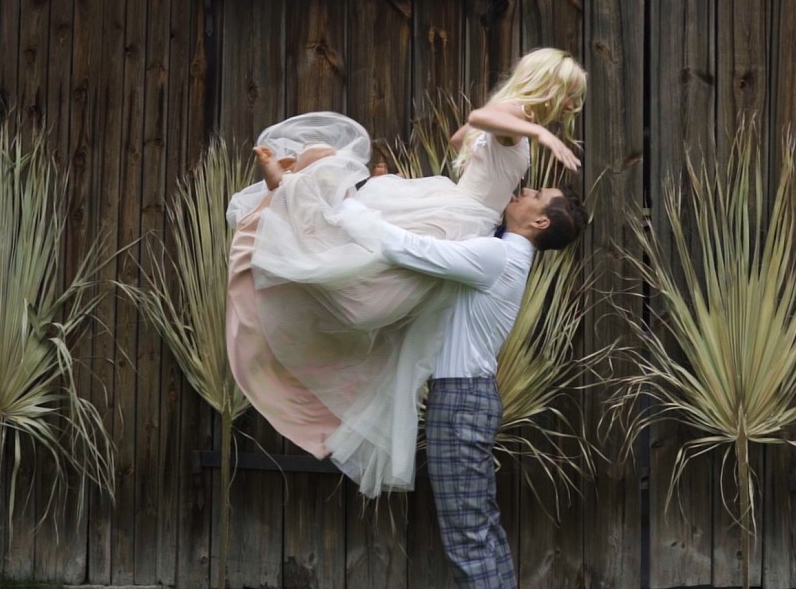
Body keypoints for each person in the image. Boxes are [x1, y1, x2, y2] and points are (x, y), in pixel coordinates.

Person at [226, 48, 587, 496]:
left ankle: (293, 195)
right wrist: (535, 131)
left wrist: (497, 134)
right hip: (459, 217)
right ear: (549, 86)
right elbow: (479, 117)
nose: (571, 107)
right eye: (571, 95)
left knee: (358, 270)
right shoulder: (520, 127)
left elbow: (461, 137)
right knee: (360, 279)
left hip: (456, 214)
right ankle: (291, 191)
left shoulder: (511, 128)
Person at [335, 184, 587, 589]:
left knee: (468, 536)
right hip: (466, 399)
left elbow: (408, 248)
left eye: (536, 193)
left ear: (540, 221)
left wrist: (346, 206)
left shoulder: (496, 256)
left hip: (461, 401)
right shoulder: (499, 251)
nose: (525, 190)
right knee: (478, 529)